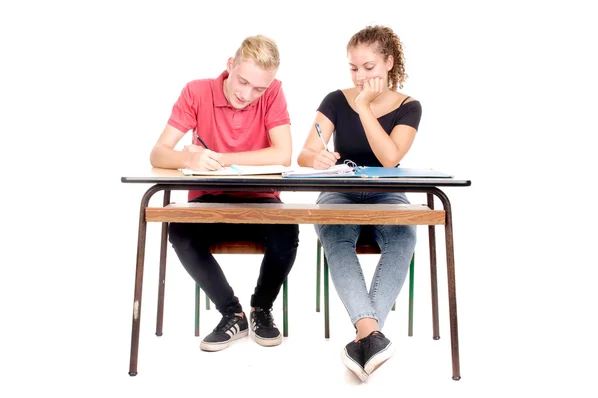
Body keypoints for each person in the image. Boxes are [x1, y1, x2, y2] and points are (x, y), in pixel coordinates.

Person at [150, 35, 299, 352]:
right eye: (243, 81)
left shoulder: (273, 92)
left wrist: (222, 158)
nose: (247, 95)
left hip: (262, 200)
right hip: (208, 199)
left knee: (287, 232)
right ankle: (232, 313)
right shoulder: (197, 91)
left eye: (259, 89)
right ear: (230, 65)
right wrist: (186, 158)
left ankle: (261, 308)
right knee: (180, 232)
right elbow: (158, 153)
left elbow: (283, 154)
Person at [297, 25, 421, 380]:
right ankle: (371, 336)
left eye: (368, 67)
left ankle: (363, 336)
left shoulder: (409, 107)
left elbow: (389, 158)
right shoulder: (335, 100)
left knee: (403, 238)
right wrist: (315, 158)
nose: (360, 75)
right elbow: (305, 153)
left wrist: (364, 106)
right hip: (340, 190)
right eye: (353, 68)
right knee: (336, 241)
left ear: (388, 63)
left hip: (388, 192)